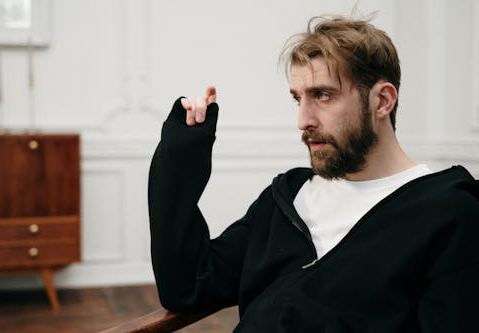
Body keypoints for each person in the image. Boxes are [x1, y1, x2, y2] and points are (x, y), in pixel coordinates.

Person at [148, 15, 479, 332]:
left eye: (322, 95)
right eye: (298, 100)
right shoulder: (287, 197)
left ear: (382, 101)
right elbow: (187, 286)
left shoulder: (448, 214)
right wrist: (180, 157)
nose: (303, 120)